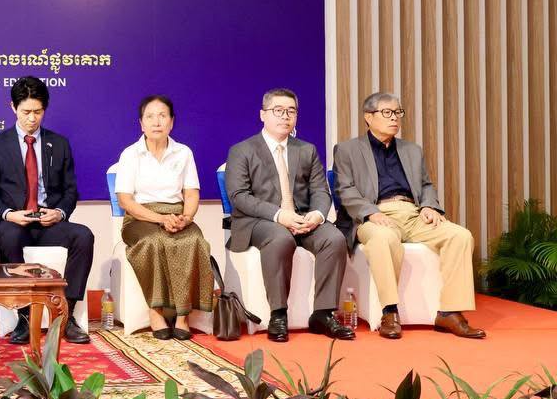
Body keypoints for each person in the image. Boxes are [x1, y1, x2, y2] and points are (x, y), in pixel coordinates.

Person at [333, 92, 485, 339]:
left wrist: (429, 206)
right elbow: (345, 190)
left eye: (398, 112)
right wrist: (371, 212)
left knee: (460, 236)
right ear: (368, 117)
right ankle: (389, 312)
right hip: (371, 214)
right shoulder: (347, 150)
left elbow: (425, 185)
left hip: (412, 213)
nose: (394, 118)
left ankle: (449, 312)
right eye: (387, 112)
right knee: (384, 238)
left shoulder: (412, 150)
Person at [225, 88, 351, 342]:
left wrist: (317, 214)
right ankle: (278, 314)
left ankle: (323, 313)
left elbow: (320, 190)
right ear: (263, 114)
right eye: (278, 111)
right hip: (260, 221)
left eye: (291, 111)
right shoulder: (242, 150)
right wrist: (279, 215)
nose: (285, 116)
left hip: (302, 218)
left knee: (334, 238)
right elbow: (239, 196)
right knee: (280, 238)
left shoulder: (306, 150)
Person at [0, 76, 93, 344]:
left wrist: (59, 213)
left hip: (47, 222)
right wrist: (9, 213)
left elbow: (70, 191)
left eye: (38, 112)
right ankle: (24, 317)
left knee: (84, 236)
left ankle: (66, 314)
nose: (32, 119)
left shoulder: (59, 143)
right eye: (26, 112)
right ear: (13, 107)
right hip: (13, 221)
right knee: (10, 236)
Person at [115, 95, 214, 340]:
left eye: (162, 116)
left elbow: (191, 193)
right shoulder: (130, 154)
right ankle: (156, 311)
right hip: (139, 218)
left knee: (194, 241)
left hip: (177, 214)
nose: (156, 122)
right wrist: (160, 219)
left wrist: (186, 217)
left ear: (171, 122)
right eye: (150, 117)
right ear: (141, 124)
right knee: (154, 241)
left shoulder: (183, 153)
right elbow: (125, 201)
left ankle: (182, 315)